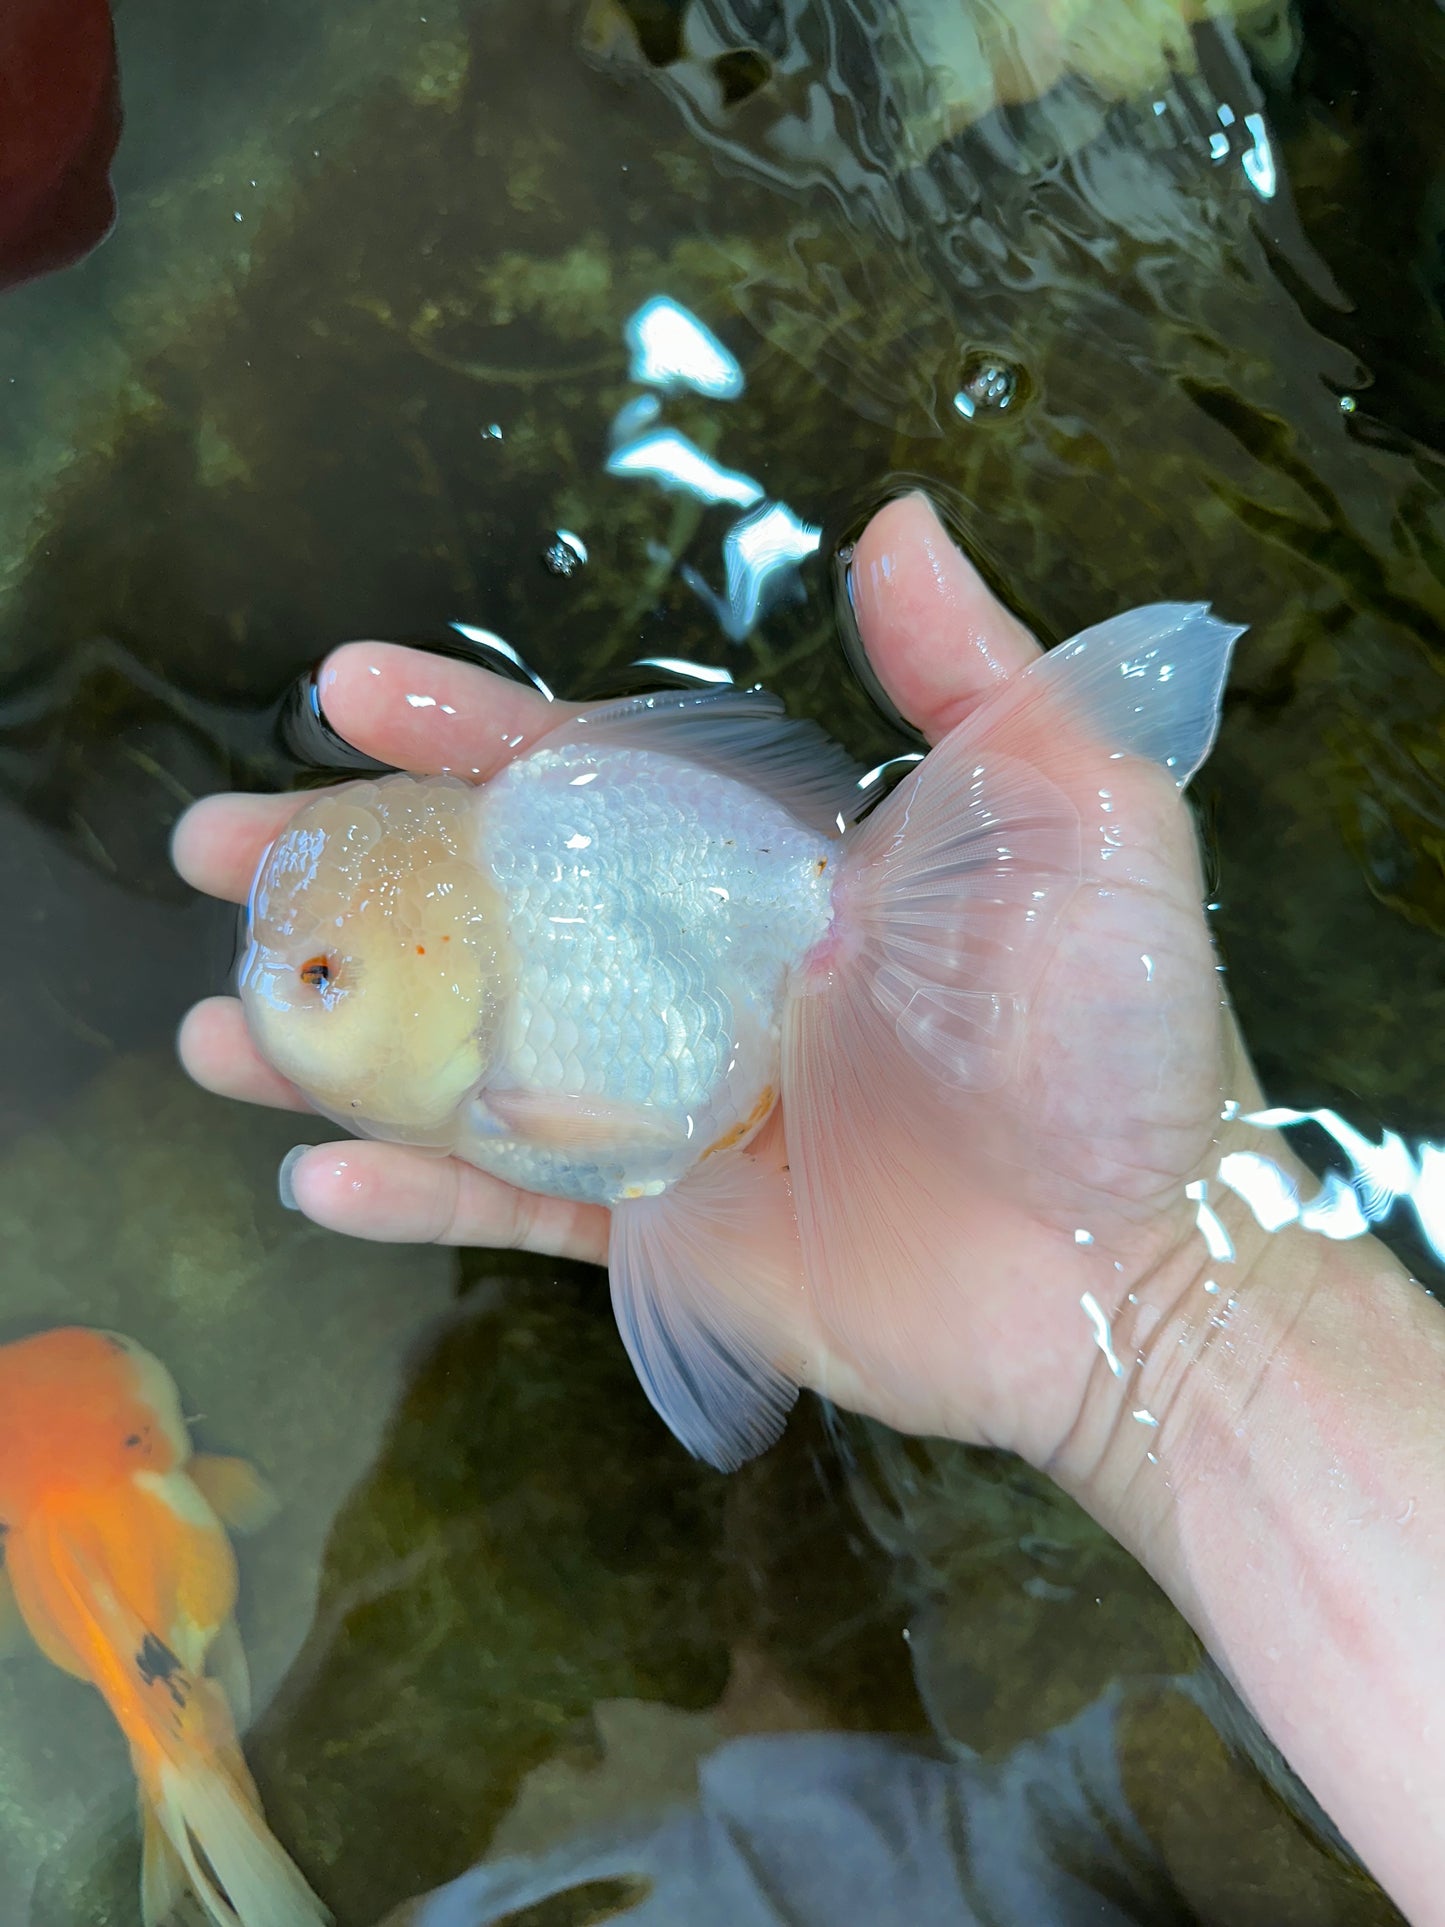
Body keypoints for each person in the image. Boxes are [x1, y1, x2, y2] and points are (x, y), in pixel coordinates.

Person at [172, 492, 1445, 1926]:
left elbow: (635, 1142)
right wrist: (1182, 1303)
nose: (284, 997)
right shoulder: (501, 997)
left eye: (323, 978)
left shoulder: (531, 1050)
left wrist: (1175, 1296)